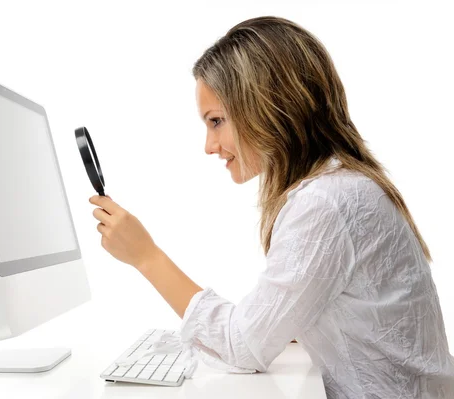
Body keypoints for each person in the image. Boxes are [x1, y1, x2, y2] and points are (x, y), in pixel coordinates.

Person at [88, 16, 454, 398]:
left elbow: (242, 347)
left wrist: (146, 257)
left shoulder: (324, 202)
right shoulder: (344, 185)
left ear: (269, 106)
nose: (209, 146)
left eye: (216, 121)